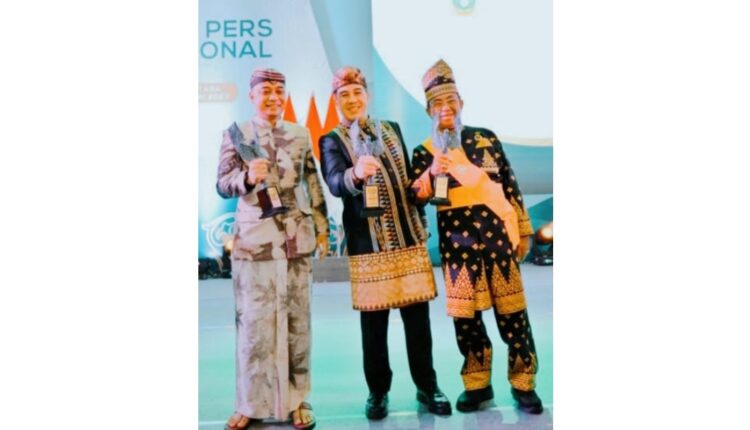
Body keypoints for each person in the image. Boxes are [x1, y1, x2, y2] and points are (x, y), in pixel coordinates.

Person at [410, 59, 544, 415]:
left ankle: (524, 383)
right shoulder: (424, 151)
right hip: (458, 249)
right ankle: (477, 385)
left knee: (513, 316)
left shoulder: (485, 138)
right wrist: (430, 172)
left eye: (451, 100)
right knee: (467, 322)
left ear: (461, 103)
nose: (446, 108)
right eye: (437, 103)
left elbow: (509, 184)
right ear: (428, 111)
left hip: (499, 241)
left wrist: (523, 230)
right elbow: (415, 197)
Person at [318, 66, 451, 420]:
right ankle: (378, 391)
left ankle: (427, 386)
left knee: (418, 323)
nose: (352, 99)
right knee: (374, 327)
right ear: (335, 101)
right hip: (369, 246)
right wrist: (355, 173)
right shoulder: (332, 140)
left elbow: (407, 183)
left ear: (367, 96)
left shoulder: (391, 129)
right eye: (344, 95)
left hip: (408, 238)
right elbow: (335, 182)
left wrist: (428, 180)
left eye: (357, 92)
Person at [216, 68, 329, 430]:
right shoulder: (236, 134)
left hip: (295, 241)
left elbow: (312, 181)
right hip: (255, 244)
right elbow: (222, 183)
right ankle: (249, 403)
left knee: (298, 325)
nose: (273, 97)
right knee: (253, 326)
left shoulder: (300, 134)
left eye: (279, 91)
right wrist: (247, 177)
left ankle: (298, 401)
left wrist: (323, 228)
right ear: (252, 96)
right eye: (265, 90)